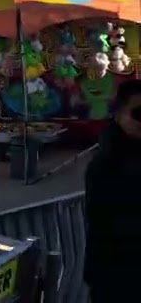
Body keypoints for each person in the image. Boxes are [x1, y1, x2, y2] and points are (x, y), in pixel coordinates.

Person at [84, 79, 141, 301]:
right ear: (119, 115)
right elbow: (104, 221)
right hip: (116, 278)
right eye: (138, 114)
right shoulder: (105, 164)